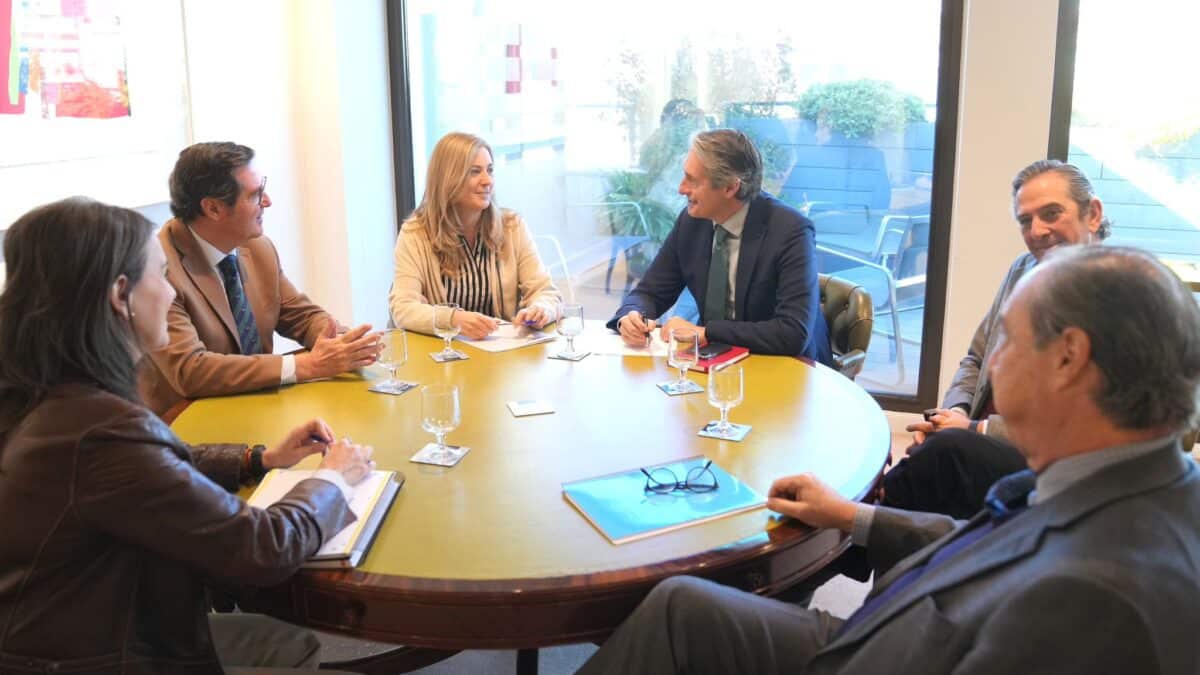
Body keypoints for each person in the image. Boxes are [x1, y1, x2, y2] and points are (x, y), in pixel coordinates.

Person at [579, 245, 1200, 674]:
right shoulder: (1125, 483)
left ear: (1068, 358)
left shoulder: (1100, 601)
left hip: (872, 656)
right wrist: (852, 515)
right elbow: (980, 540)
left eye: (1007, 336)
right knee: (682, 604)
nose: (992, 359)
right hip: (889, 632)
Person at [0, 197, 376, 673]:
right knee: (287, 645)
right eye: (160, 277)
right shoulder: (99, 431)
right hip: (107, 651)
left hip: (60, 632)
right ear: (120, 295)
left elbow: (145, 471)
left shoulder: (44, 394)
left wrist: (257, 458)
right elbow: (264, 547)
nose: (172, 294)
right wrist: (334, 481)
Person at [882, 159, 1112, 518]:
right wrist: (953, 412)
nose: (1037, 230)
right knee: (927, 461)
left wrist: (975, 429)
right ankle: (866, 538)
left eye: (1052, 213)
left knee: (943, 456)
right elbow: (976, 358)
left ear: (1093, 214)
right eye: (1026, 220)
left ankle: (846, 535)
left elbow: (1093, 424)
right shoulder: (1023, 269)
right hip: (980, 434)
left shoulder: (1122, 295)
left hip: (1055, 460)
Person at [138, 142, 381, 417]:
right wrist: (307, 366)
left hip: (258, 409)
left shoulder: (257, 247)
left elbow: (300, 316)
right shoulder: (157, 270)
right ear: (213, 209)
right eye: (255, 195)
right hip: (186, 425)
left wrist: (344, 344)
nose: (268, 201)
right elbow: (191, 370)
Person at [607, 129, 831, 362]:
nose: (681, 189)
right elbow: (650, 292)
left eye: (692, 180)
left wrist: (708, 332)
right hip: (712, 360)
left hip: (784, 367)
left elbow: (792, 332)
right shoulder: (691, 221)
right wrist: (631, 316)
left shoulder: (790, 230)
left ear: (730, 188)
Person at [389, 132, 561, 339]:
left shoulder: (512, 227)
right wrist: (454, 319)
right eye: (474, 172)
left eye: (490, 170)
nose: (487, 181)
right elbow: (403, 308)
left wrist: (541, 309)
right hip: (444, 355)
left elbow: (546, 292)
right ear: (448, 178)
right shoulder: (415, 234)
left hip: (500, 352)